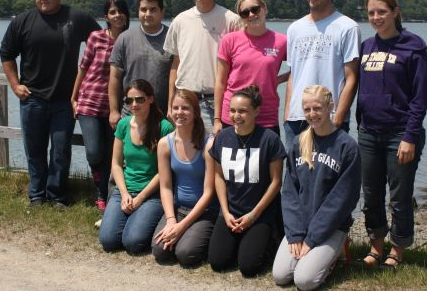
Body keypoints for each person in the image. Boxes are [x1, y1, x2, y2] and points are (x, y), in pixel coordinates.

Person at [0, 0, 100, 207]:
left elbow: (101, 43)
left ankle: (57, 196)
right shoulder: (22, 22)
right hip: (32, 99)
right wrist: (15, 84)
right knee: (34, 151)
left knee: (60, 151)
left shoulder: (77, 17)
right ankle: (36, 195)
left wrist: (88, 80)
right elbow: (6, 53)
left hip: (65, 101)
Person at [357, 0, 427, 268]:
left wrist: (410, 136)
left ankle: (397, 249)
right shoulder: (365, 47)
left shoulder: (413, 45)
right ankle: (376, 245)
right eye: (372, 12)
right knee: (371, 195)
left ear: (395, 12)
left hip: (400, 134)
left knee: (399, 197)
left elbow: (420, 97)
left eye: (382, 12)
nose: (376, 17)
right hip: (368, 133)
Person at [273, 85, 361, 290]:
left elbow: (342, 200)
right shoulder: (297, 143)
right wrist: (295, 234)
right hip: (300, 225)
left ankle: (334, 257)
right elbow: (289, 192)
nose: (312, 114)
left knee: (304, 281)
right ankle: (312, 254)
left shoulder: (347, 147)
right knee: (280, 275)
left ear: (331, 106)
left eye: (317, 108)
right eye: (307, 109)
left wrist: (312, 239)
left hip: (331, 227)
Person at [208, 85, 286, 277]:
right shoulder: (223, 137)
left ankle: (269, 238)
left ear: (256, 111)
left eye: (243, 111)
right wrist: (225, 213)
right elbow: (218, 176)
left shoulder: (269, 139)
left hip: (259, 213)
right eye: (233, 110)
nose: (236, 116)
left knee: (249, 268)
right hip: (231, 212)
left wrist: (253, 215)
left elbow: (276, 182)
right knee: (218, 263)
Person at [283, 0, 360, 151]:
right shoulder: (294, 28)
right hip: (296, 119)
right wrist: (287, 114)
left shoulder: (347, 27)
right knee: (297, 177)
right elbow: (294, 75)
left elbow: (352, 78)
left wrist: (338, 117)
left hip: (330, 118)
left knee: (328, 177)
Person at [99, 79, 174, 254]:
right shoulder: (123, 125)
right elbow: (116, 164)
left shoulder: (164, 128)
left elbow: (164, 172)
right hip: (124, 191)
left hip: (151, 194)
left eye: (139, 99)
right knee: (108, 241)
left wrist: (140, 198)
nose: (134, 104)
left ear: (151, 99)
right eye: (129, 100)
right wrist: (124, 193)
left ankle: (146, 220)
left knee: (133, 243)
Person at [164, 0, 242, 132]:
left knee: (213, 155)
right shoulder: (179, 21)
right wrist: (171, 103)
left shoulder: (232, 21)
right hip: (184, 102)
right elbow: (175, 65)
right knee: (186, 155)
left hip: (215, 102)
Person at [70, 0, 129, 211]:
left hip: (117, 107)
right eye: (112, 12)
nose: (117, 16)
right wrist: (74, 97)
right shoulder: (96, 38)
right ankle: (99, 190)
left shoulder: (130, 39)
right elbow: (83, 68)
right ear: (106, 17)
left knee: (112, 153)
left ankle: (108, 195)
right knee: (94, 152)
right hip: (90, 103)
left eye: (121, 11)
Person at [152, 89, 218, 266]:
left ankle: (203, 238)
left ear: (196, 112)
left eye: (185, 108)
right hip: (178, 209)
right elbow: (165, 186)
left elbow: (209, 192)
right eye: (175, 108)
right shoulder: (165, 143)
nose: (179, 112)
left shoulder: (208, 143)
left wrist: (182, 227)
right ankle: (183, 234)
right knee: (159, 251)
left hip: (204, 211)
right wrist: (171, 220)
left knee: (186, 254)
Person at [213, 0, 287, 136]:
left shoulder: (282, 41)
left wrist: (277, 80)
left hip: (266, 115)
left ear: (264, 8)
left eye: (255, 9)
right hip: (233, 116)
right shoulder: (230, 40)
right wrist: (216, 119)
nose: (251, 15)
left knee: (268, 159)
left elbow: (301, 68)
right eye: (245, 13)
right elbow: (220, 82)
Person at [109, 0, 172, 126]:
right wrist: (114, 111)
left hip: (162, 117)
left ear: (162, 11)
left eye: (153, 10)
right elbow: (114, 77)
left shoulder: (173, 38)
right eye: (143, 9)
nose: (147, 14)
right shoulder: (124, 38)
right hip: (130, 115)